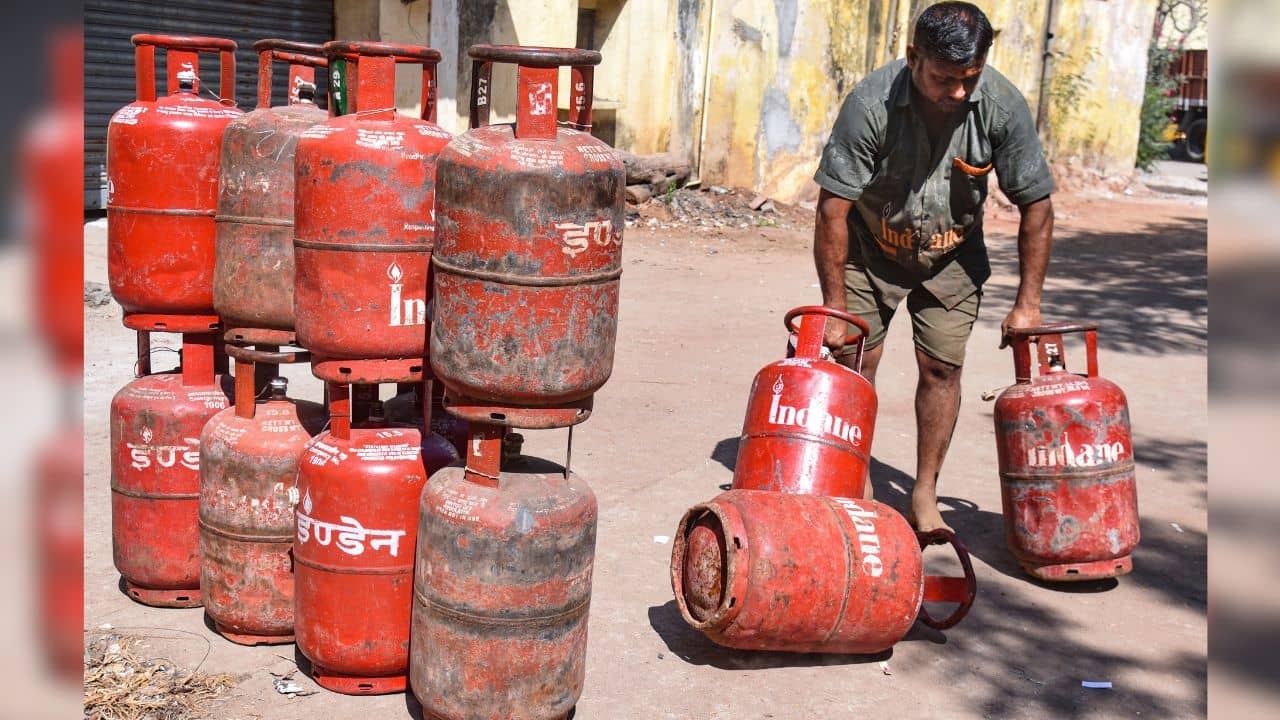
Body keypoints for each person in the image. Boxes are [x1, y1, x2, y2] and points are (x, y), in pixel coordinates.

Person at [812, 1, 1054, 532]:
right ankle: (860, 487)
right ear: (912, 57)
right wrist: (833, 305)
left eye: (970, 79)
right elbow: (833, 209)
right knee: (856, 361)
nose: (959, 93)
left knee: (942, 368)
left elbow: (1036, 205)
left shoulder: (1001, 106)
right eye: (945, 80)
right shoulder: (870, 105)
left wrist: (1028, 304)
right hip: (870, 249)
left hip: (952, 256)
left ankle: (925, 494)